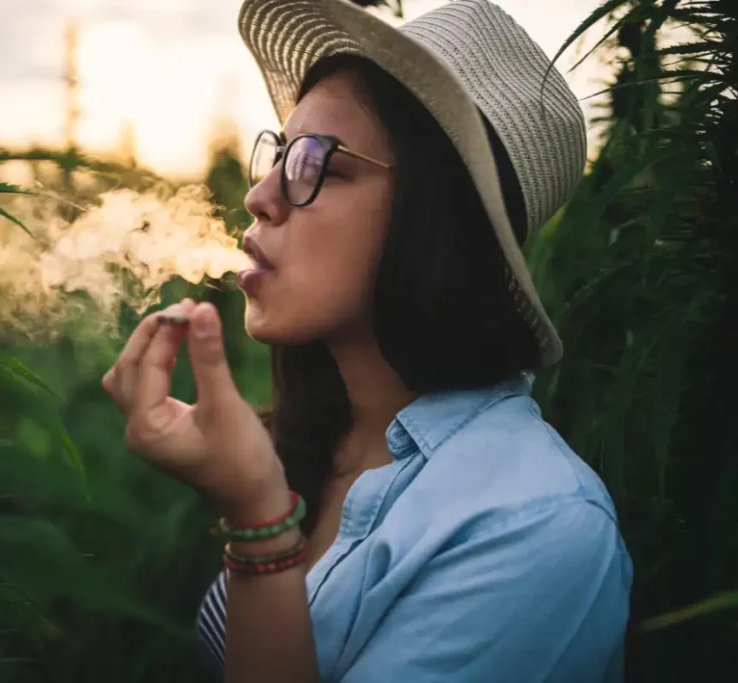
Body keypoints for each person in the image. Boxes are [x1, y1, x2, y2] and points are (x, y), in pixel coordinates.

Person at [101, 0, 633, 681]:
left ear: (435, 219)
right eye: (280, 154)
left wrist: (259, 520)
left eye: (317, 162)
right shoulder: (321, 445)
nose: (260, 196)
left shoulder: (535, 527)